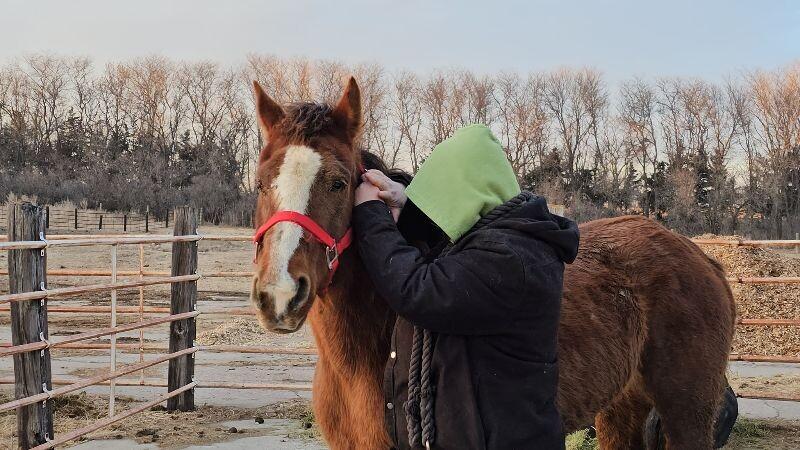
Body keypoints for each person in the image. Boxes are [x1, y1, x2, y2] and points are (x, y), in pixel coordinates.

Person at [353, 124, 580, 450]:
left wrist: (371, 215)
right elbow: (447, 242)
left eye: (441, 194)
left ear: (465, 194)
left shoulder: (509, 257)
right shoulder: (505, 235)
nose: (437, 207)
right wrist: (405, 202)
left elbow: (417, 290)